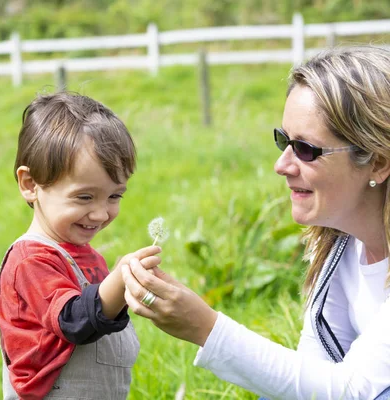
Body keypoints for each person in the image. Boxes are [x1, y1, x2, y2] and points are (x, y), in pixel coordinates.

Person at [120, 45, 390, 400]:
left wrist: (206, 328)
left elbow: (354, 391)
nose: (282, 164)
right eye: (283, 140)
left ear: (378, 162)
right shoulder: (340, 247)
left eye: (306, 149)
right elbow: (311, 372)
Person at [0, 91, 161, 400]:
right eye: (85, 197)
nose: (100, 213)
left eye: (115, 196)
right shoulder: (29, 261)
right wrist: (121, 278)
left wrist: (139, 288)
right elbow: (74, 320)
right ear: (31, 185)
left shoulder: (86, 256)